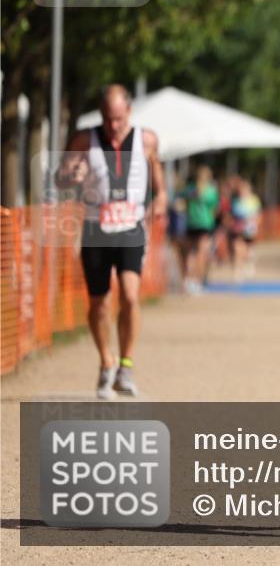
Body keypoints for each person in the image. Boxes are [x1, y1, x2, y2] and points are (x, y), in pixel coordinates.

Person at [56, 84, 166, 399]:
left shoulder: (147, 140)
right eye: (107, 119)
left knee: (131, 296)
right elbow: (59, 178)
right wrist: (70, 176)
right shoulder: (83, 140)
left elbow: (158, 180)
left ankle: (126, 367)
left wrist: (160, 199)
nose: (113, 126)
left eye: (117, 119)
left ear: (128, 112)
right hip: (95, 230)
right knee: (99, 302)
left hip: (131, 229)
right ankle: (106, 361)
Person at [179, 166, 220, 295]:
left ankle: (187, 280)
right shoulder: (211, 191)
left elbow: (182, 203)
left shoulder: (190, 189)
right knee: (202, 254)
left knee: (190, 254)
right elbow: (215, 210)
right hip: (205, 225)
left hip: (191, 223)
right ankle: (197, 282)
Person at [230, 178, 262, 281]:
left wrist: (254, 224)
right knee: (237, 249)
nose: (242, 191)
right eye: (240, 189)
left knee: (247, 251)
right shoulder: (235, 200)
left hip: (249, 229)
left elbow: (258, 215)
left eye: (244, 189)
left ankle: (249, 264)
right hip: (237, 228)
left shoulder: (254, 200)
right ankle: (237, 272)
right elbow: (232, 215)